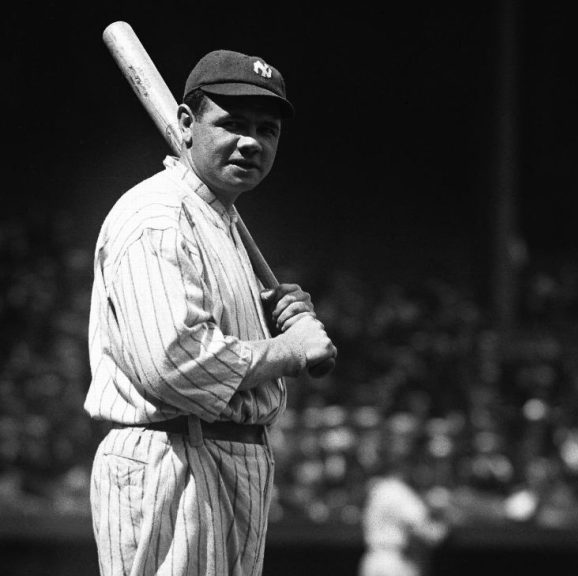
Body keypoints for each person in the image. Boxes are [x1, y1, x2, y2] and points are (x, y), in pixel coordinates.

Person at [86, 49, 337, 576]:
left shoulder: (218, 219)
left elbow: (218, 343)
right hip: (173, 461)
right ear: (185, 123)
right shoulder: (159, 216)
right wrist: (286, 350)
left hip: (224, 459)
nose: (252, 142)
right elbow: (174, 364)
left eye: (266, 129)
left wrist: (274, 321)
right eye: (232, 123)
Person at [358, 469, 449, 576]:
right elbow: (424, 528)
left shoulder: (378, 489)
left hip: (372, 560)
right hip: (393, 562)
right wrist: (442, 526)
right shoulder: (399, 491)